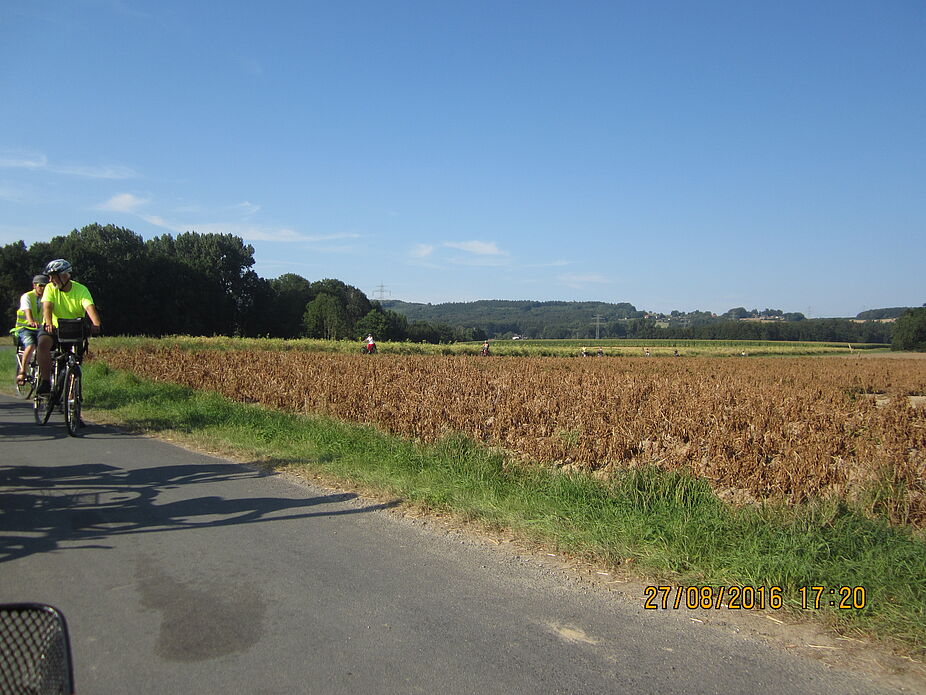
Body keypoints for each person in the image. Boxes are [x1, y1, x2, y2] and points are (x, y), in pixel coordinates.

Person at [35, 259, 102, 394]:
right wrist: (48, 323)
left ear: (64, 276)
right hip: (53, 327)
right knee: (43, 344)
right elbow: (47, 307)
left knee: (75, 359)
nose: (50, 280)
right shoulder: (50, 288)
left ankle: (71, 390)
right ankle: (46, 382)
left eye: (53, 277)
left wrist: (96, 323)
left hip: (74, 329)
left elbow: (90, 307)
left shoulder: (81, 290)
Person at [10, 274, 48, 384]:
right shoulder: (27, 296)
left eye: (45, 286)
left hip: (41, 328)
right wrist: (31, 321)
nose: (43, 288)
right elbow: (27, 311)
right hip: (25, 328)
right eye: (40, 285)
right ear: (34, 286)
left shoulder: (48, 298)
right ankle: (22, 372)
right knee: (31, 345)